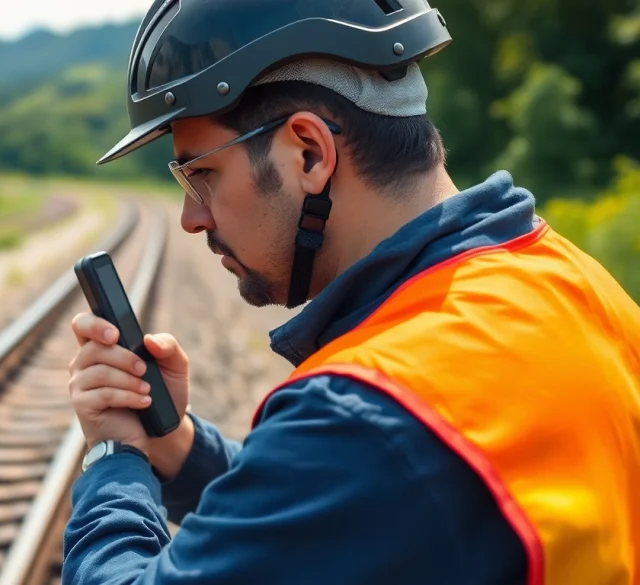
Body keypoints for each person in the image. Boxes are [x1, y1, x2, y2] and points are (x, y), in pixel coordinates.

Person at [63, 0, 640, 583]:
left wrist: (116, 458)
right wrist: (177, 447)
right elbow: (374, 505)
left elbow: (366, 460)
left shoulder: (367, 410)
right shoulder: (574, 283)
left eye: (200, 175)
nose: (192, 218)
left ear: (309, 153)